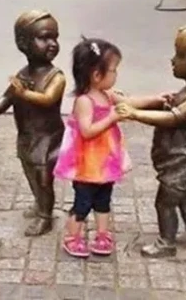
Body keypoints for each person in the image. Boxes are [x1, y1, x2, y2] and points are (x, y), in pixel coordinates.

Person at [117, 23, 186, 258]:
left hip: (182, 161)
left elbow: (172, 119)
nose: (173, 60)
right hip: (179, 157)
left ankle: (166, 243)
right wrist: (160, 102)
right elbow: (171, 109)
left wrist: (135, 114)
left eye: (179, 55)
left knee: (165, 202)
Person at [55, 37, 171, 258]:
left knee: (103, 201)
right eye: (114, 70)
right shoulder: (84, 101)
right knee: (82, 203)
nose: (116, 74)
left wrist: (155, 99)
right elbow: (87, 131)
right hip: (87, 165)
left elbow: (130, 102)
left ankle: (102, 234)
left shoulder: (108, 95)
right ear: (96, 75)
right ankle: (72, 237)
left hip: (104, 162)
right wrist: (111, 117)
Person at [0, 11, 65, 237]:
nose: (52, 43)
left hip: (48, 137)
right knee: (30, 172)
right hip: (27, 135)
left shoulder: (56, 76)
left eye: (55, 37)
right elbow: (7, 97)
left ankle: (45, 216)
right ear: (23, 44)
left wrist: (23, 93)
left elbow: (48, 99)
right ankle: (39, 203)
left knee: (43, 177)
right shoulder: (23, 74)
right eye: (44, 38)